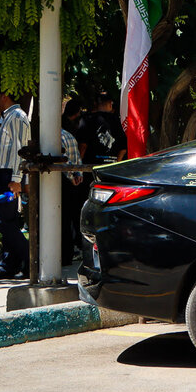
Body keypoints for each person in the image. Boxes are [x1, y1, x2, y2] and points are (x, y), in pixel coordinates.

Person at [0, 90, 30, 280]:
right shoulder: (8, 117)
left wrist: (17, 179)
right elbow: (7, 150)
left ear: (4, 96)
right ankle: (9, 265)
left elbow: (22, 149)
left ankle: (31, 260)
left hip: (7, 177)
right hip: (2, 175)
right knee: (7, 221)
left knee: (2, 222)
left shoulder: (16, 116)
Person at [61, 98, 87, 265]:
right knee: (72, 218)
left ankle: (64, 255)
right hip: (74, 182)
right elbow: (77, 159)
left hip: (63, 181)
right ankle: (69, 253)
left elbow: (64, 160)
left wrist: (71, 176)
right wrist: (77, 176)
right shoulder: (69, 136)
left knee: (62, 221)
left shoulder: (55, 138)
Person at [77, 91, 126, 166]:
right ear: (111, 103)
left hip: (91, 167)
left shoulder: (87, 120)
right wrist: (116, 164)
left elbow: (82, 146)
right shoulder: (118, 122)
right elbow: (123, 148)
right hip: (111, 167)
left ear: (95, 103)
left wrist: (79, 166)